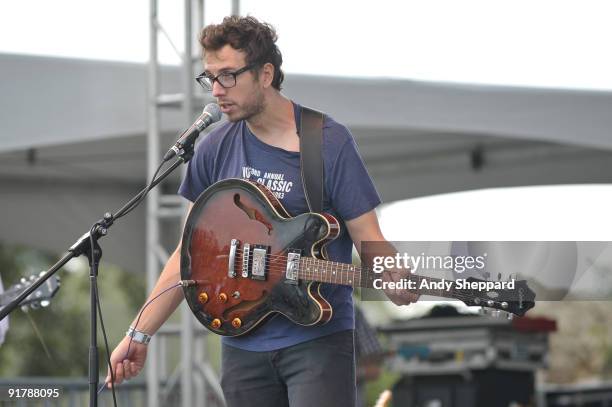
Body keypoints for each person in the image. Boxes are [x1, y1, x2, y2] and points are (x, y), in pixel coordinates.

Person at [106, 15, 417, 407]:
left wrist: (390, 275)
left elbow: (370, 240)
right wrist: (138, 335)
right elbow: (189, 255)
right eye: (209, 78)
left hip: (317, 341)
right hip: (241, 340)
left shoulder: (327, 142)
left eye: (228, 76)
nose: (216, 90)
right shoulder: (212, 148)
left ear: (265, 73)